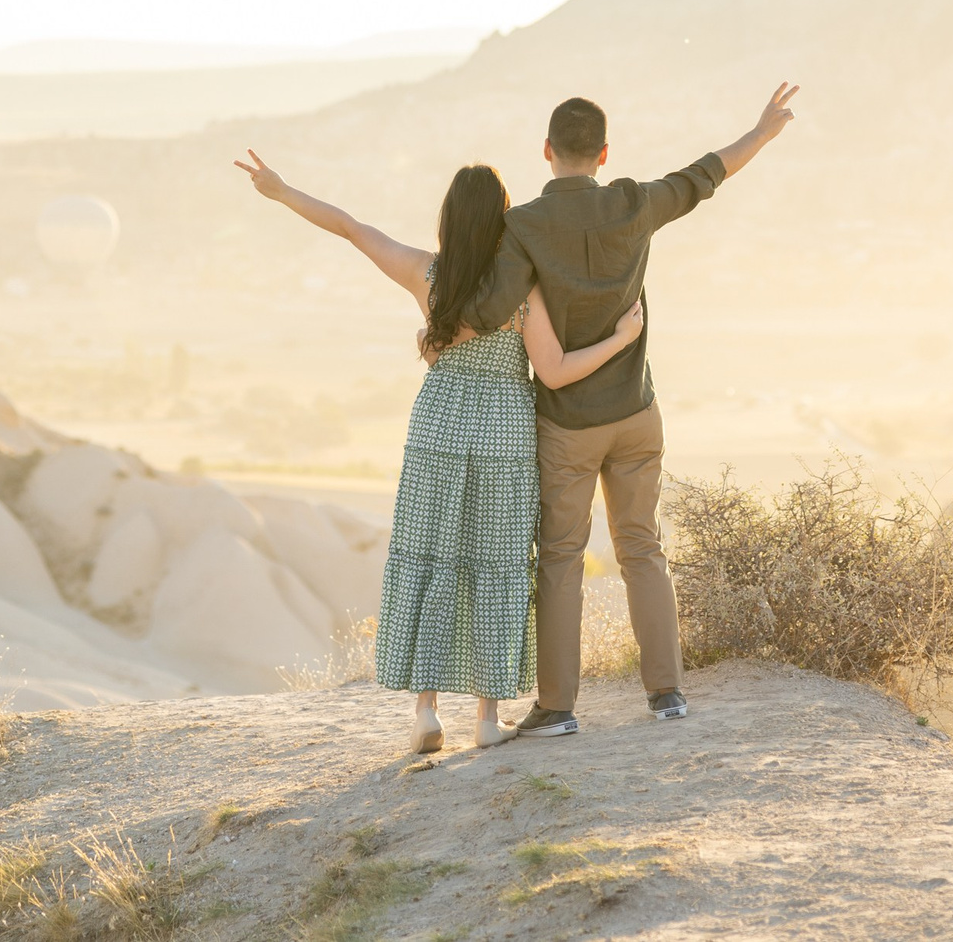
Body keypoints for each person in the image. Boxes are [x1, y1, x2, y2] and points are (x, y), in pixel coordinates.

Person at [233, 152, 645, 752]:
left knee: (432, 555)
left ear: (448, 218)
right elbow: (555, 371)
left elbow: (349, 227)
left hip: (439, 428)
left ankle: (426, 712)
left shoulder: (426, 274)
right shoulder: (522, 289)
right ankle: (486, 717)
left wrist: (282, 190)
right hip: (504, 432)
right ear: (503, 219)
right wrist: (621, 339)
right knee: (498, 564)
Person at [464, 83, 799, 737]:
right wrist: (762, 131)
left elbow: (488, 310)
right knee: (642, 547)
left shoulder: (524, 225)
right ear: (604, 152)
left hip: (567, 423)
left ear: (547, 150)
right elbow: (705, 174)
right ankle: (667, 693)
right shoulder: (633, 202)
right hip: (637, 413)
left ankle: (558, 707)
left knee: (561, 557)